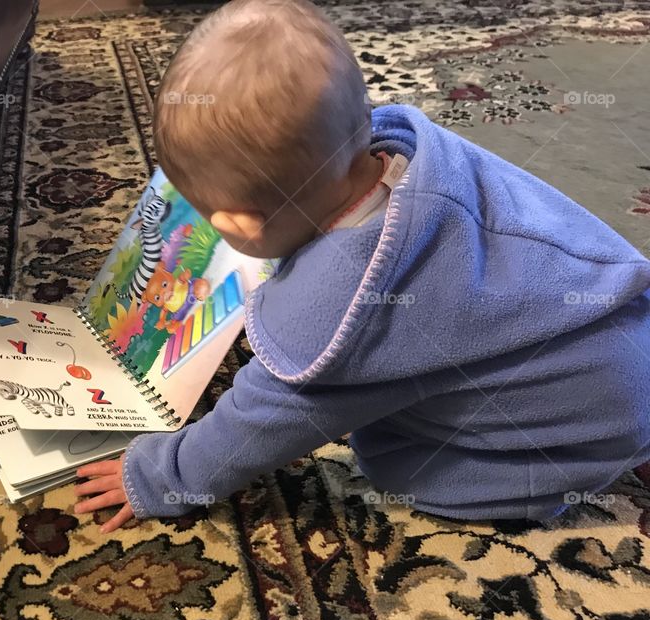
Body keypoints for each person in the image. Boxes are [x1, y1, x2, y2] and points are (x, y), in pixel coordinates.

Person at [73, 0, 650, 533]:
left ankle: (544, 485)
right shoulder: (418, 157)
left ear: (243, 227)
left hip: (578, 431)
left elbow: (257, 425)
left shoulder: (344, 319)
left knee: (396, 466)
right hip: (622, 335)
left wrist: (161, 475)